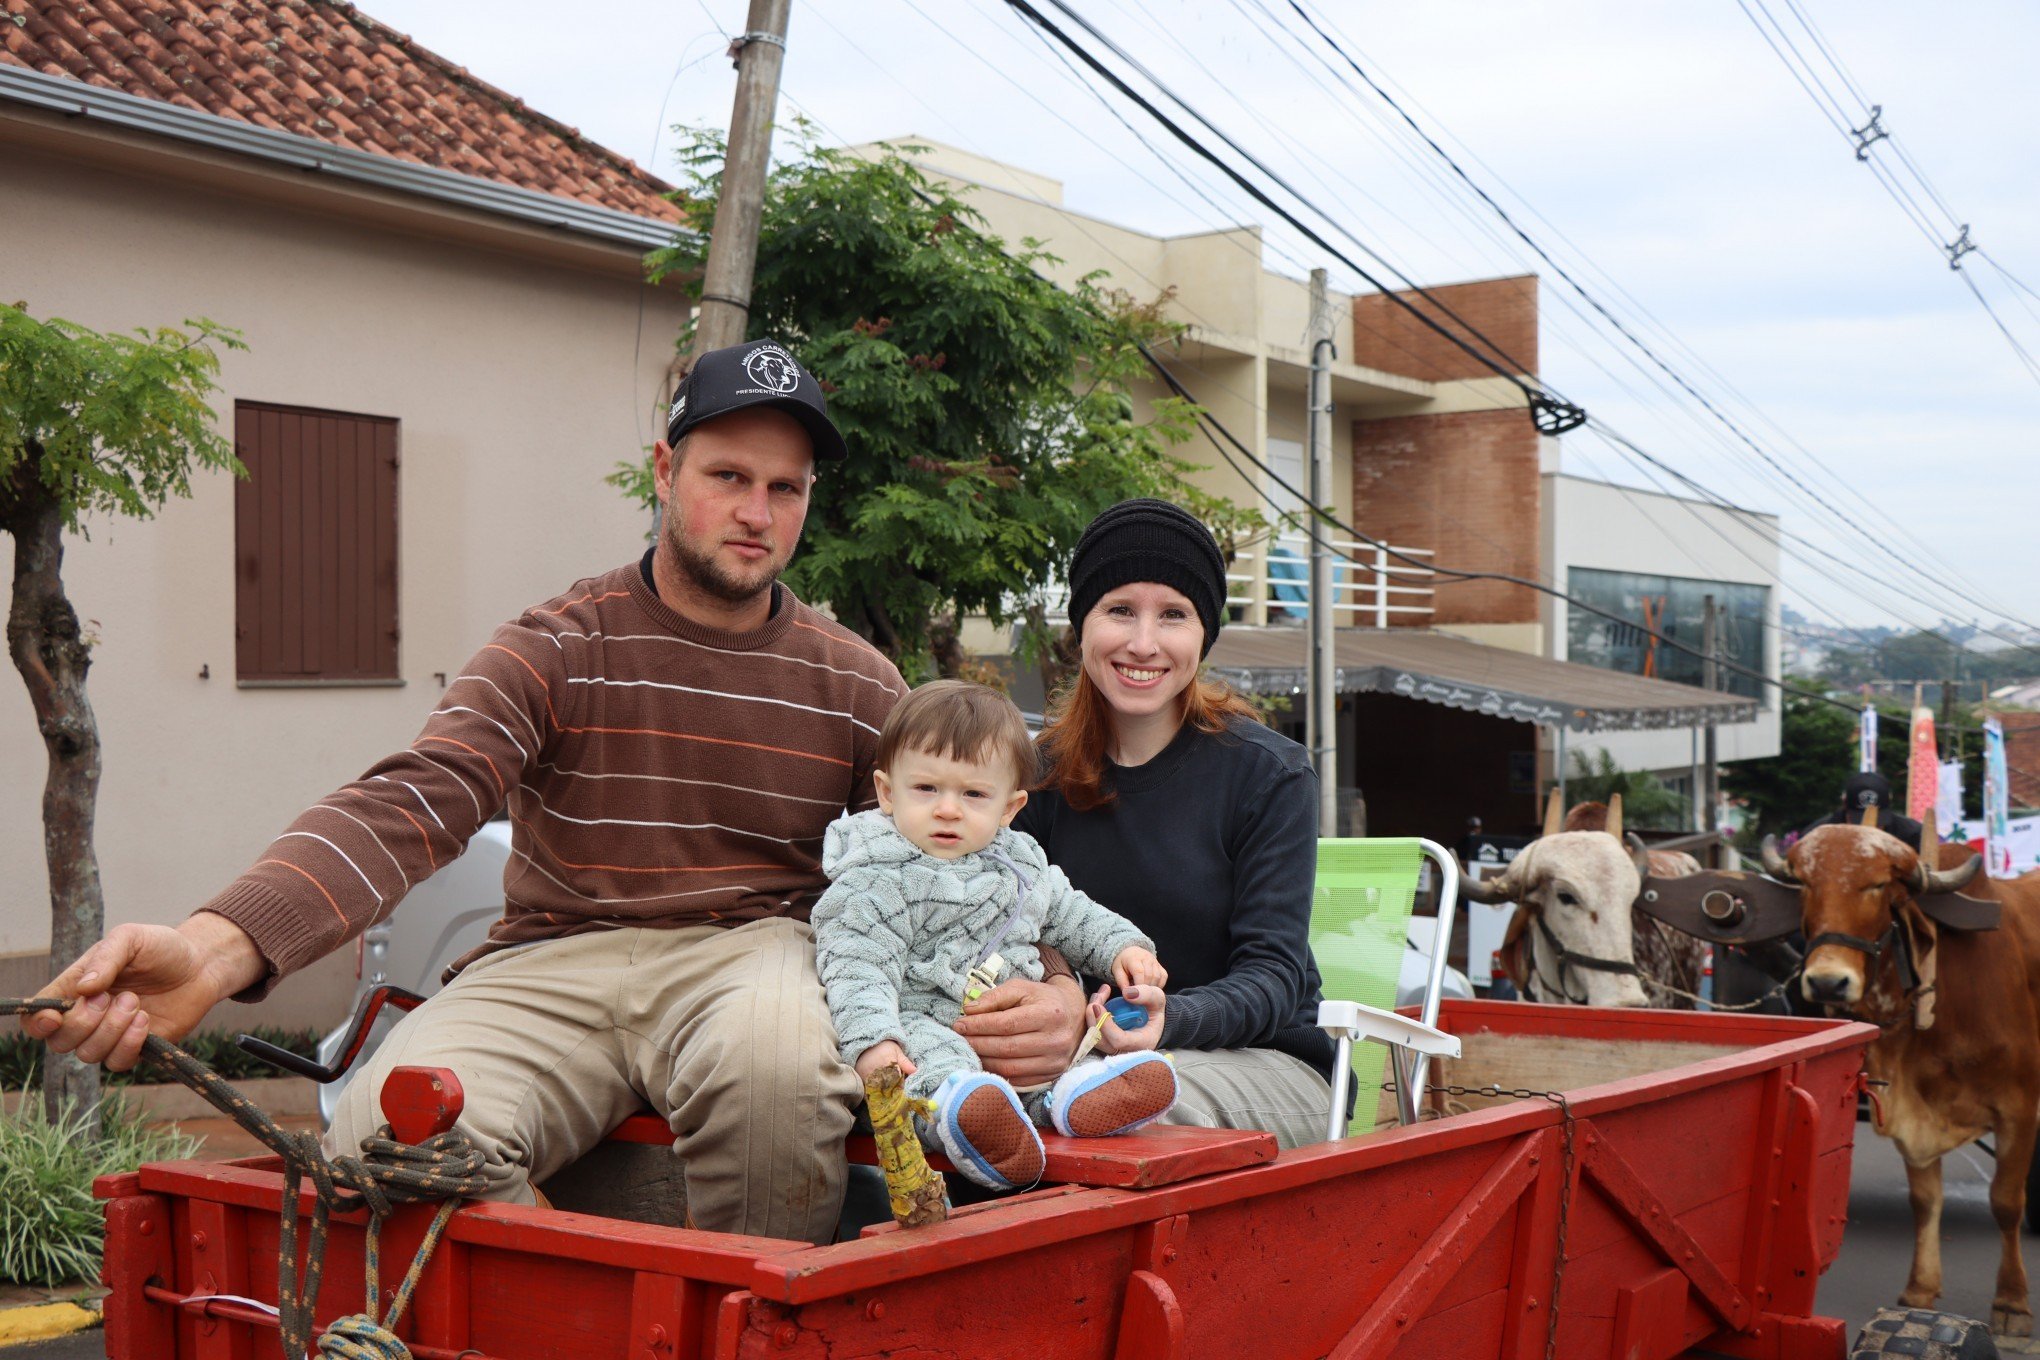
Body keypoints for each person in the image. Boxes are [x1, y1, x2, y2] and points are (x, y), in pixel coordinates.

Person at [19, 338, 1082, 1243]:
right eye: (727, 475)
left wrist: (1043, 983)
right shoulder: (559, 644)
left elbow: (963, 856)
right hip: (551, 954)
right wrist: (213, 949)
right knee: (383, 1137)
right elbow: (419, 796)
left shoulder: (856, 683)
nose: (755, 510)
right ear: (667, 470)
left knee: (779, 1079)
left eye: (785, 487)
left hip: (755, 952)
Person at [1011, 499, 1336, 1151]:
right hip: (1081, 1056)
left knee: (1125, 1103)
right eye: (1120, 609)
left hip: (1266, 1061)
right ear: (1083, 624)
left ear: (1203, 635)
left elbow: (1274, 978)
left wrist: (1167, 1022)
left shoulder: (1268, 776)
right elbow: (1019, 923)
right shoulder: (1036, 774)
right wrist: (1052, 996)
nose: (1143, 642)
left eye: (1174, 615)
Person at [812, 681, 1177, 1191]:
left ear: (1009, 807)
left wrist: (1125, 945)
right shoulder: (875, 877)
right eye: (926, 789)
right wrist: (874, 1041)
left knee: (1060, 1059)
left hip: (1009, 1023)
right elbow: (856, 965)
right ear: (887, 792)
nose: (947, 809)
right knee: (939, 1064)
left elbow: (1069, 911)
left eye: (974, 794)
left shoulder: (1019, 862)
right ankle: (961, 1114)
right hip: (922, 1019)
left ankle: (1070, 1098)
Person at [1796, 771, 1924, 850]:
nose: (1868, 831)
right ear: (1845, 805)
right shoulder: (1815, 836)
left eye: (1878, 823)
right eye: (1859, 822)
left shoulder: (1912, 835)